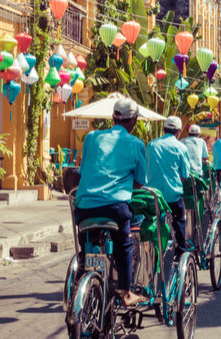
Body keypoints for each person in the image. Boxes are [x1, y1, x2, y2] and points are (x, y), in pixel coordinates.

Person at [75, 98, 147, 307]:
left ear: (113, 117)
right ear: (133, 120)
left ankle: (82, 274)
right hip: (115, 208)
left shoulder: (91, 137)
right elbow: (140, 182)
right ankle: (125, 292)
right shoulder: (135, 144)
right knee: (124, 244)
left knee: (87, 245)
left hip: (84, 207)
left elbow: (85, 168)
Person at [145, 116, 189, 254]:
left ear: (164, 129)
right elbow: (185, 175)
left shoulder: (151, 145)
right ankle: (181, 253)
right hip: (173, 197)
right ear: (179, 131)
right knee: (179, 222)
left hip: (152, 197)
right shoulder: (181, 147)